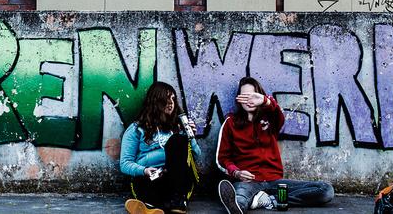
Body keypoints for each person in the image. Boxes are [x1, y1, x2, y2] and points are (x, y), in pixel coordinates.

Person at [216, 77, 334, 214]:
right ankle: (242, 205)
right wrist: (236, 172)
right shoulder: (230, 123)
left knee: (325, 190)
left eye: (252, 96)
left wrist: (266, 101)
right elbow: (222, 159)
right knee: (239, 200)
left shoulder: (270, 118)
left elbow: (279, 116)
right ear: (238, 99)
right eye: (244, 96)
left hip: (274, 180)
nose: (249, 100)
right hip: (247, 182)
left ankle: (269, 200)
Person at [119, 82, 201, 214]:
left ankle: (170, 204)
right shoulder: (136, 129)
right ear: (155, 102)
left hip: (176, 180)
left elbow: (195, 156)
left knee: (177, 140)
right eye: (166, 99)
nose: (171, 103)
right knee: (154, 182)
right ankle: (154, 206)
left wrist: (190, 137)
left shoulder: (178, 128)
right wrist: (144, 170)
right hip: (150, 177)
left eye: (173, 99)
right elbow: (124, 164)